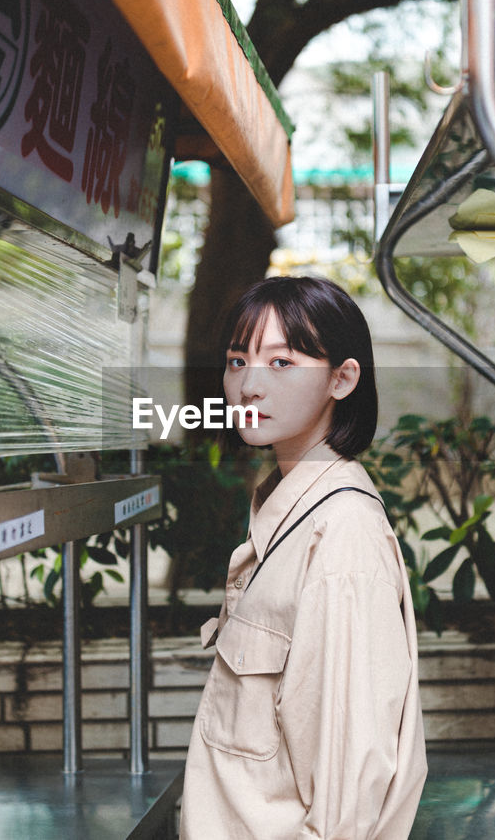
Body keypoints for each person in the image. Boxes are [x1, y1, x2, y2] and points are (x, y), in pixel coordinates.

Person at [180, 276, 427, 839]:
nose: (248, 386)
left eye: (283, 363)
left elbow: (350, 781)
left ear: (342, 379)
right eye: (237, 361)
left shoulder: (341, 535)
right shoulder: (284, 505)